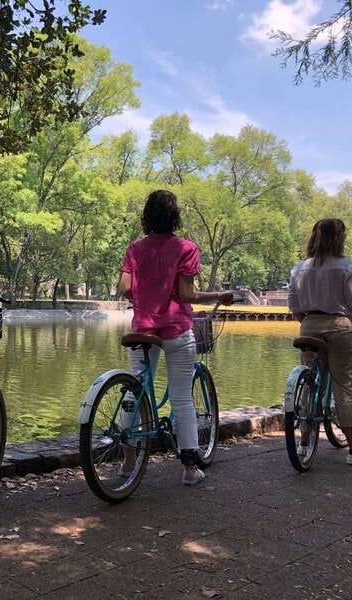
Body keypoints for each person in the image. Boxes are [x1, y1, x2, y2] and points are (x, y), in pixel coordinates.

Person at [117, 189, 234, 486]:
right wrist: (218, 294)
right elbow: (186, 294)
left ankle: (127, 461)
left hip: (142, 328)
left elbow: (124, 288)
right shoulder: (186, 248)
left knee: (135, 390)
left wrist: (145, 296)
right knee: (182, 397)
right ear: (174, 217)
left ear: (147, 217)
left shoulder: (134, 248)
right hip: (176, 329)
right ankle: (189, 469)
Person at [288, 218, 352, 466]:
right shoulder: (346, 267)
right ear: (340, 238)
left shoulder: (299, 268)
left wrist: (307, 322)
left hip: (309, 326)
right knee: (344, 386)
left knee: (309, 381)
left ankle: (304, 441)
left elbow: (293, 304)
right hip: (340, 327)